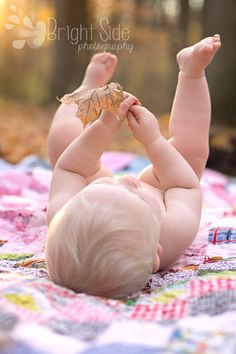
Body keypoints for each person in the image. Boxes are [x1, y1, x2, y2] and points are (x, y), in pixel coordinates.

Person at [45, 35, 221, 299]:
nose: (126, 180)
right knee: (190, 154)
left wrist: (104, 127)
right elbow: (185, 185)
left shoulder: (64, 215)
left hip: (89, 179)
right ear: (155, 256)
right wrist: (154, 141)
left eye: (113, 185)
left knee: (62, 145)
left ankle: (88, 89)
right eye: (136, 197)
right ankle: (192, 72)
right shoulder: (172, 234)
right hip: (162, 188)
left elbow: (70, 170)